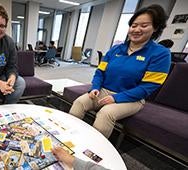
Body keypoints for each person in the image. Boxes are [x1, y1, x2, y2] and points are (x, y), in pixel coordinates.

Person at [69, 4, 171, 138]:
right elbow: (100, 72)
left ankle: (93, 152)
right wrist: (95, 87)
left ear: (155, 28)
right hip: (104, 91)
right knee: (79, 102)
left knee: (106, 113)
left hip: (132, 98)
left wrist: (116, 98)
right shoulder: (116, 49)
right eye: (134, 25)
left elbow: (148, 87)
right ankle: (69, 137)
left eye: (144, 26)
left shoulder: (161, 54)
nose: (137, 29)